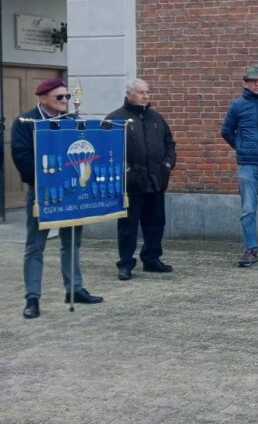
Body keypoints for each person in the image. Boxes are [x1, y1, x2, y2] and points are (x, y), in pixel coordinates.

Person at [12, 78, 104, 318]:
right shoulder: (26, 122)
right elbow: (22, 157)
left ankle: (74, 289)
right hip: (44, 192)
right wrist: (51, 176)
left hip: (73, 190)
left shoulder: (72, 121)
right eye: (60, 97)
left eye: (67, 97)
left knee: (72, 240)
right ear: (43, 98)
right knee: (35, 245)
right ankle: (32, 298)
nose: (65, 101)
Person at [105, 79, 177, 280]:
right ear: (129, 94)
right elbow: (105, 150)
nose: (145, 96)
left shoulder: (156, 118)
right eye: (140, 92)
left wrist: (168, 164)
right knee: (128, 225)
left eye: (147, 92)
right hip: (131, 184)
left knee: (155, 222)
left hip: (155, 180)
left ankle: (152, 259)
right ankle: (125, 264)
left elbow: (169, 143)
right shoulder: (115, 119)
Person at [220, 65, 258, 267]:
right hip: (247, 164)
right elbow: (226, 131)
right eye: (253, 81)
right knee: (248, 209)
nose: (256, 84)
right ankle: (251, 248)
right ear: (246, 83)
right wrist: (240, 146)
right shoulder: (237, 105)